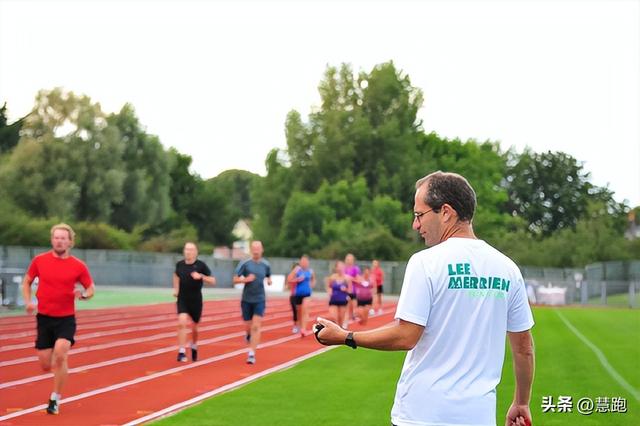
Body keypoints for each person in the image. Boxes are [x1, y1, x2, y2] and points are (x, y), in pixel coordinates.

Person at [315, 171, 535, 426]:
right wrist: (521, 402)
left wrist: (345, 337)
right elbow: (524, 347)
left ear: (445, 212)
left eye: (419, 215)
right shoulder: (507, 268)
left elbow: (406, 335)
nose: (415, 225)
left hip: (421, 415)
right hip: (478, 417)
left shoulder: (426, 262)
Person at [21, 223, 96, 416]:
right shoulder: (40, 260)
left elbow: (90, 288)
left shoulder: (78, 266)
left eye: (63, 238)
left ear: (70, 242)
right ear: (52, 240)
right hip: (44, 318)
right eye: (56, 237)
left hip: (65, 319)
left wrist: (84, 295)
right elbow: (27, 281)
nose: (59, 241)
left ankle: (55, 398)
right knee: (46, 364)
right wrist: (28, 301)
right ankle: (54, 361)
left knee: (61, 355)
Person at [173, 242, 216, 362]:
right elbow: (176, 276)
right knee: (181, 322)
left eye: (191, 250)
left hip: (196, 300)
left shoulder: (201, 266)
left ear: (196, 252)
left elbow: (213, 280)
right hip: (182, 298)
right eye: (186, 249)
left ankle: (194, 345)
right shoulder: (179, 265)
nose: (188, 252)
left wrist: (201, 276)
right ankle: (181, 351)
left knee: (194, 327)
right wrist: (176, 289)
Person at [233, 241, 272, 364]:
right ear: (251, 250)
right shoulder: (245, 264)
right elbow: (235, 279)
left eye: (258, 248)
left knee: (256, 326)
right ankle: (248, 334)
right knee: (248, 324)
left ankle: (251, 353)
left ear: (262, 250)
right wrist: (245, 280)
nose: (256, 250)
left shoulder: (266, 264)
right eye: (254, 248)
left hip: (260, 299)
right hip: (246, 299)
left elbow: (268, 275)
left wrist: (269, 280)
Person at [287, 255, 316, 336]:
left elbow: (313, 279)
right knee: (299, 312)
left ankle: (303, 329)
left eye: (306, 261)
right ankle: (299, 326)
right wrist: (297, 280)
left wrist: (311, 285)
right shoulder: (297, 270)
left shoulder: (310, 271)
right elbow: (289, 279)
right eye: (302, 261)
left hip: (307, 294)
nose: (304, 263)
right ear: (300, 262)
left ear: (308, 263)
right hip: (298, 294)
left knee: (305, 311)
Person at [325, 260, 350, 328]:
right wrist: (329, 292)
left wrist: (346, 290)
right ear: (336, 268)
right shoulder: (332, 277)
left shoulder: (347, 278)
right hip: (333, 299)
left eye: (341, 266)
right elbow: (328, 286)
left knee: (341, 318)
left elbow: (350, 290)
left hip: (343, 300)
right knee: (334, 318)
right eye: (339, 267)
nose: (340, 268)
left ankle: (340, 333)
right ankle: (336, 332)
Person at [344, 253, 361, 321]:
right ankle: (346, 319)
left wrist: (350, 278)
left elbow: (358, 280)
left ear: (353, 260)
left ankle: (353, 315)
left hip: (354, 290)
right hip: (345, 290)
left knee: (353, 306)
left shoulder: (355, 269)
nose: (348, 261)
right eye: (347, 259)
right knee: (346, 306)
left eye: (350, 259)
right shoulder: (343, 268)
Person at [286, 261, 300, 334]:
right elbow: (289, 281)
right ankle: (295, 325)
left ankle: (300, 325)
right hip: (293, 295)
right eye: (296, 268)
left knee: (300, 311)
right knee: (295, 311)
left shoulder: (302, 275)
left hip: (300, 295)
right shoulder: (292, 275)